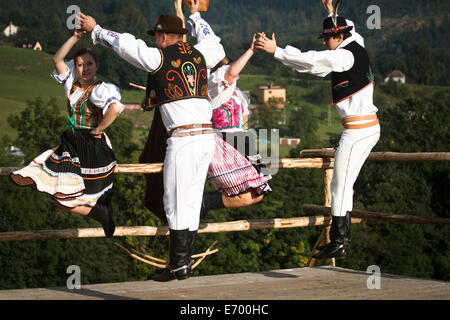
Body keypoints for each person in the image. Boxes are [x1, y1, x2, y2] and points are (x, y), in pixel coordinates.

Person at [79, 5, 225, 281]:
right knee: (191, 200)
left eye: (157, 36)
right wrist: (195, 16)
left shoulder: (157, 56)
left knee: (174, 202)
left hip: (183, 139)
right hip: (207, 137)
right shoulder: (203, 54)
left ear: (162, 37)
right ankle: (182, 263)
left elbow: (125, 45)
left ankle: (179, 264)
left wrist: (96, 30)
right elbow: (212, 38)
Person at [255, 0, 380, 260]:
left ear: (338, 36)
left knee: (339, 184)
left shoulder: (344, 55)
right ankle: (340, 240)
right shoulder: (357, 42)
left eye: (327, 38)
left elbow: (310, 62)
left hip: (358, 130)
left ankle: (339, 241)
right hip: (366, 128)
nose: (324, 43)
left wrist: (275, 50)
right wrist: (332, 13)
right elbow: (352, 30)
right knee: (344, 184)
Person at [9, 29, 124, 238]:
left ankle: (100, 211)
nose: (85, 68)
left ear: (97, 66)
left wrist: (98, 129)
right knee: (61, 200)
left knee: (63, 199)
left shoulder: (100, 89)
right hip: (72, 144)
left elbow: (115, 109)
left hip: (92, 147)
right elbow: (57, 59)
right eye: (80, 64)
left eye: (89, 63)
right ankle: (100, 212)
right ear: (75, 67)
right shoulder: (71, 84)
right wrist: (76, 36)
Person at [187, 4, 272, 216]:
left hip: (239, 141)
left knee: (258, 192)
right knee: (253, 192)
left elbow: (244, 122)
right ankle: (203, 202)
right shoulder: (213, 85)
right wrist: (251, 50)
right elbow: (231, 74)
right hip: (222, 142)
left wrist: (195, 15)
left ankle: (204, 202)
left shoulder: (237, 93)